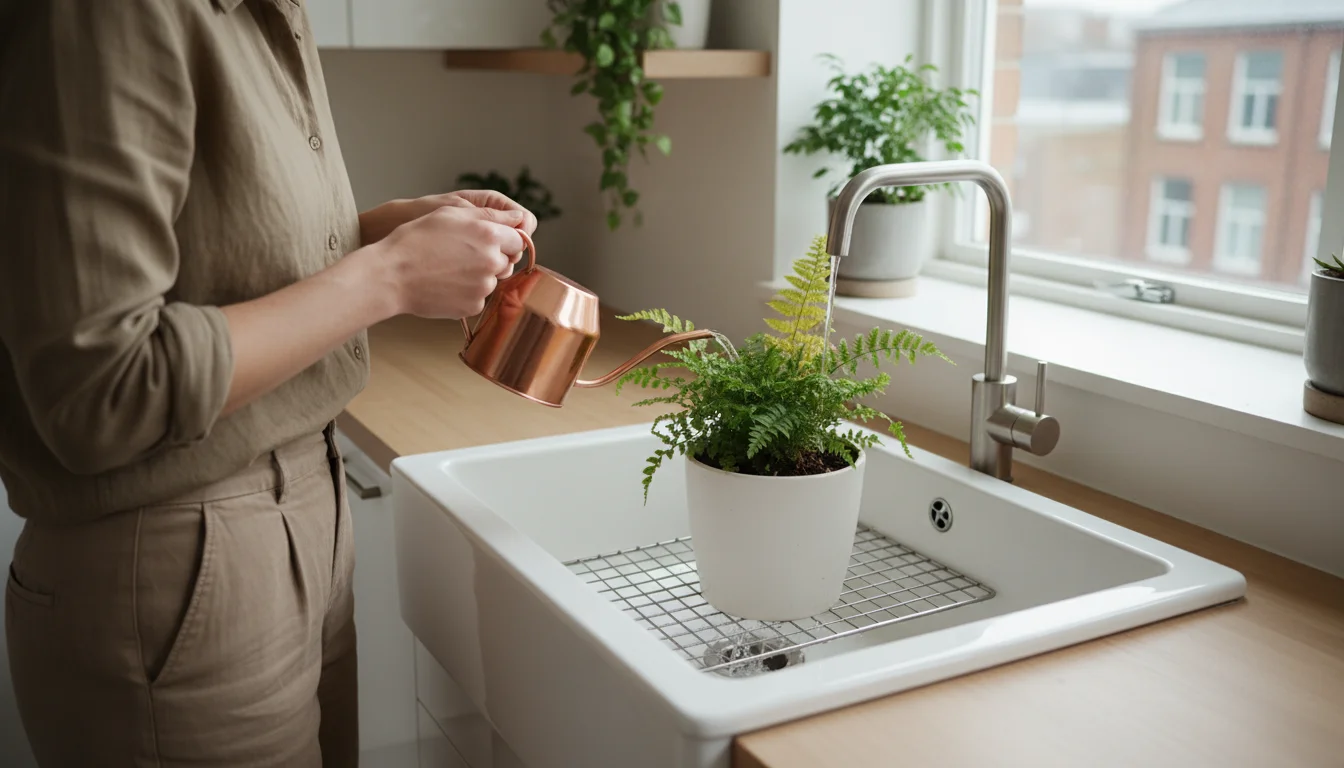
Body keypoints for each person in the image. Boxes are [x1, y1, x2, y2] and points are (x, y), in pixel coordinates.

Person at [0, 1, 538, 765]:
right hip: (172, 560)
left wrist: (383, 235)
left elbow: (214, 251)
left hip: (301, 519)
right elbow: (100, 392)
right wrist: (386, 277)